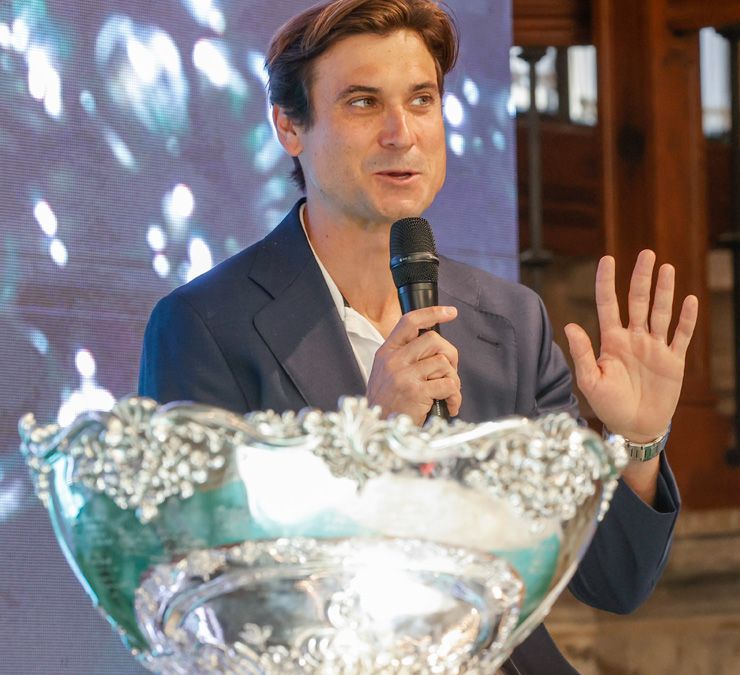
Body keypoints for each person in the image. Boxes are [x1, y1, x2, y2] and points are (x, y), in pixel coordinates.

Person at [138, 1, 699, 673]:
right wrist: (368, 444)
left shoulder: (511, 321)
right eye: (363, 103)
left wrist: (635, 443)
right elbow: (211, 605)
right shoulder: (204, 327)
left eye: (422, 100)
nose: (401, 133)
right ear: (290, 125)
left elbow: (612, 580)